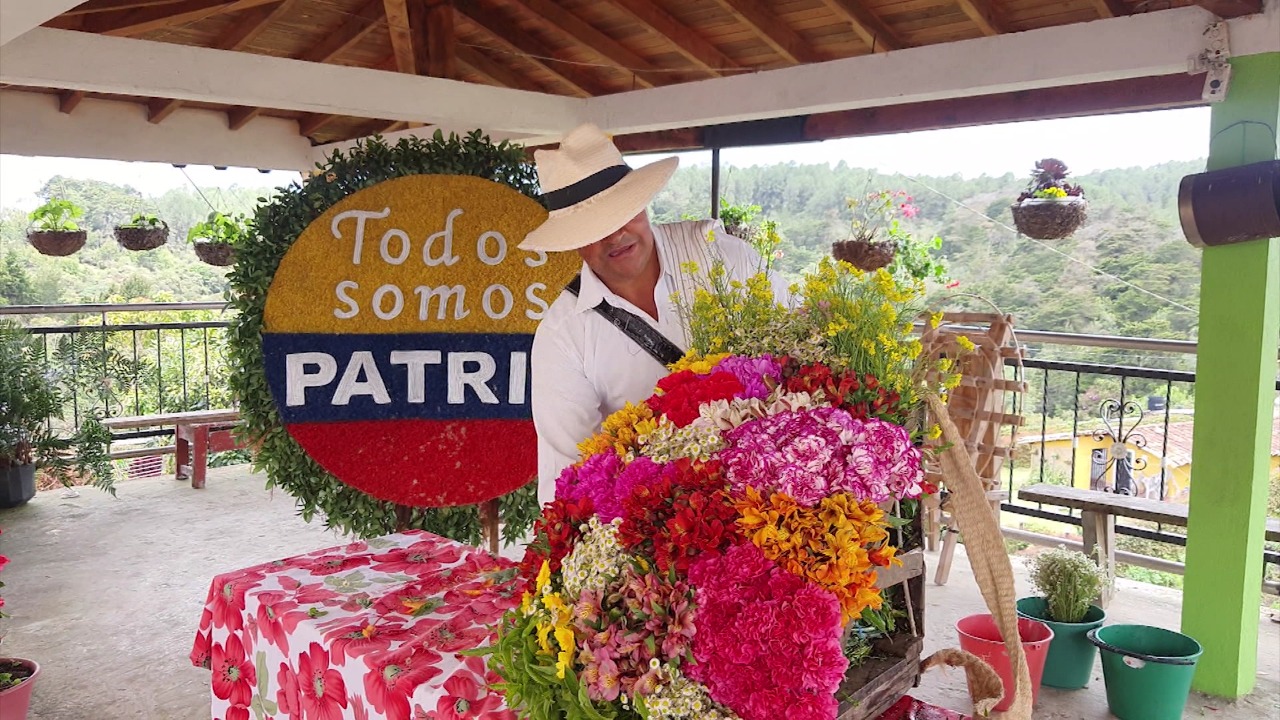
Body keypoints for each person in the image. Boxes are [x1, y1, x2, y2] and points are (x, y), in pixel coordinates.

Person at [518, 123, 777, 505]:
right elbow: (571, 473)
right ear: (571, 241)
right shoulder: (564, 334)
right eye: (593, 229)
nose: (615, 235)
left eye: (624, 212)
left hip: (776, 496)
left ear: (642, 201)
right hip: (671, 525)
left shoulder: (722, 258)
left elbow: (801, 359)